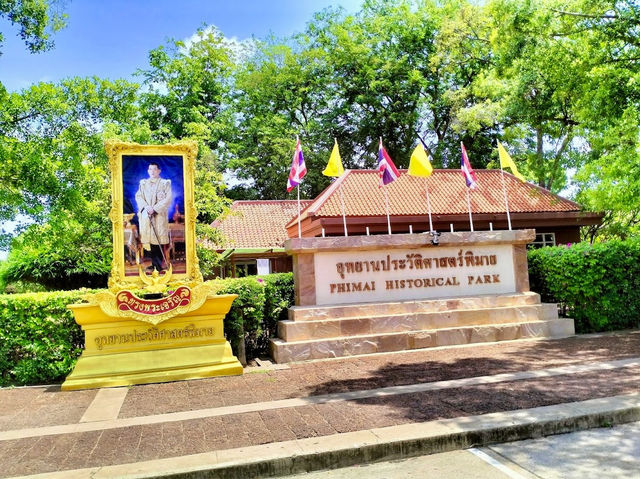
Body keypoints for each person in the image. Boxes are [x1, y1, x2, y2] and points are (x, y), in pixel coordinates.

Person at [135, 162, 172, 272]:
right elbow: (139, 196)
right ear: (148, 171)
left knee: (158, 240)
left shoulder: (165, 183)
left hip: (159, 216)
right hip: (147, 215)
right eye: (150, 169)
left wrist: (154, 209)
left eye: (154, 169)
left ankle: (158, 265)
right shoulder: (143, 183)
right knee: (150, 241)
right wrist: (146, 207)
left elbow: (167, 199)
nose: (152, 171)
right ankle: (154, 264)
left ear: (159, 171)